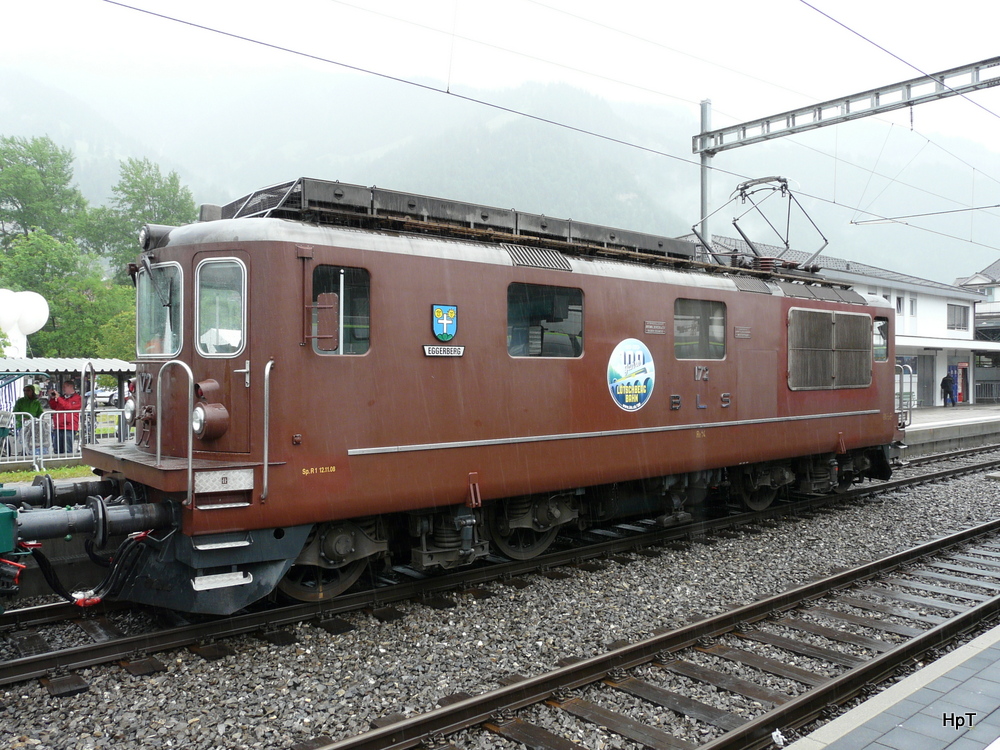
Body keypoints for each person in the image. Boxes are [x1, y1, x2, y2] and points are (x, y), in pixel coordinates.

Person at [49, 380, 82, 454]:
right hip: (58, 426)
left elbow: (68, 407)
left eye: (65, 387)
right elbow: (53, 406)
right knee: (57, 449)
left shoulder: (77, 398)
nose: (63, 389)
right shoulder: (62, 398)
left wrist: (58, 398)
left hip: (69, 427)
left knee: (67, 449)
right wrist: (52, 398)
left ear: (71, 386)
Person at [12, 385, 44, 456]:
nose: (26, 392)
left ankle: (31, 455)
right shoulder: (20, 401)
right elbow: (15, 412)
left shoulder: (37, 402)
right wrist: (21, 418)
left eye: (28, 390)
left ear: (32, 391)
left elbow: (40, 413)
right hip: (21, 425)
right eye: (24, 390)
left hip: (33, 425)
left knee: (32, 443)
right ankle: (22, 455)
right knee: (22, 442)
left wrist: (39, 419)